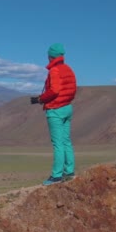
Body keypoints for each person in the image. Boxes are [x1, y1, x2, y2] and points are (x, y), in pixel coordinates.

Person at [31, 43, 77, 185]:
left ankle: (56, 176)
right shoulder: (69, 69)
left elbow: (55, 90)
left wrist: (40, 99)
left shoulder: (54, 71)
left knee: (57, 144)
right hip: (67, 108)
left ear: (51, 56)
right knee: (66, 141)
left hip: (56, 110)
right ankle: (69, 171)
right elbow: (72, 89)